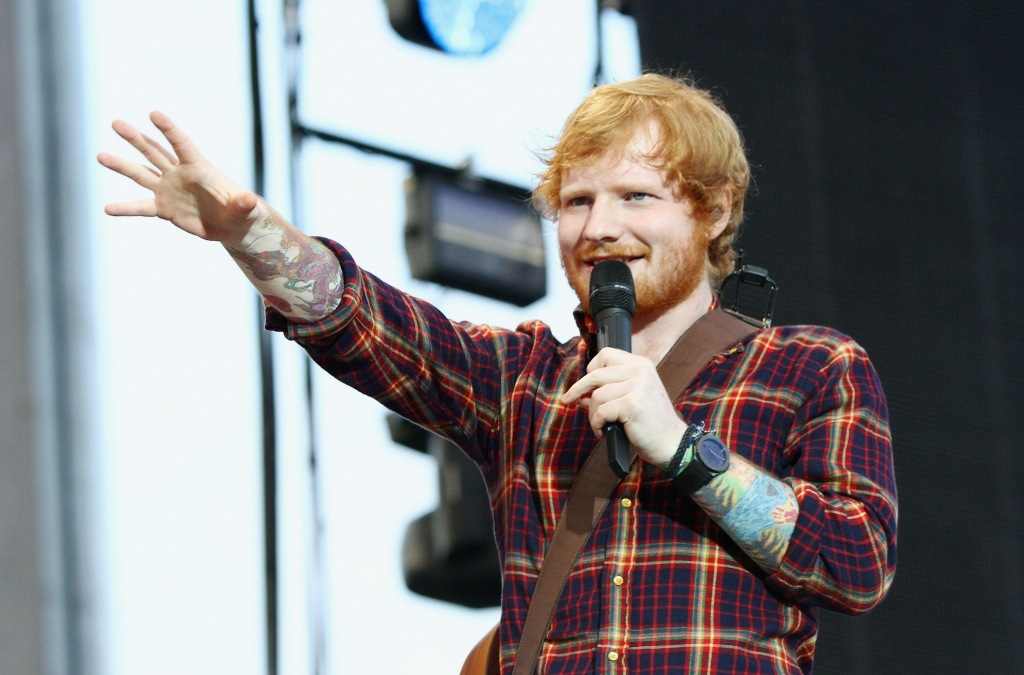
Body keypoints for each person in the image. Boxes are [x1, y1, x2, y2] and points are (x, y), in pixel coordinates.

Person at [98, 74, 897, 674]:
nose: (601, 228)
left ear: (715, 210)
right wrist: (253, 235)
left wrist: (684, 449)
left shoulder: (812, 365)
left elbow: (857, 565)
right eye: (577, 202)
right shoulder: (521, 378)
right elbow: (365, 320)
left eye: (636, 196)